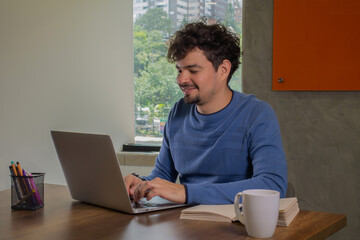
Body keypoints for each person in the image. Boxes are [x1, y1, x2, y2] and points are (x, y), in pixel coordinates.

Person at [124, 19, 287, 204]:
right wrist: (141, 185)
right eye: (179, 70)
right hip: (184, 224)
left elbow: (272, 185)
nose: (182, 79)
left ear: (224, 69)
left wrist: (186, 193)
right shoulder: (178, 112)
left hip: (234, 225)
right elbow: (163, 175)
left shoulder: (257, 115)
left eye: (193, 70)